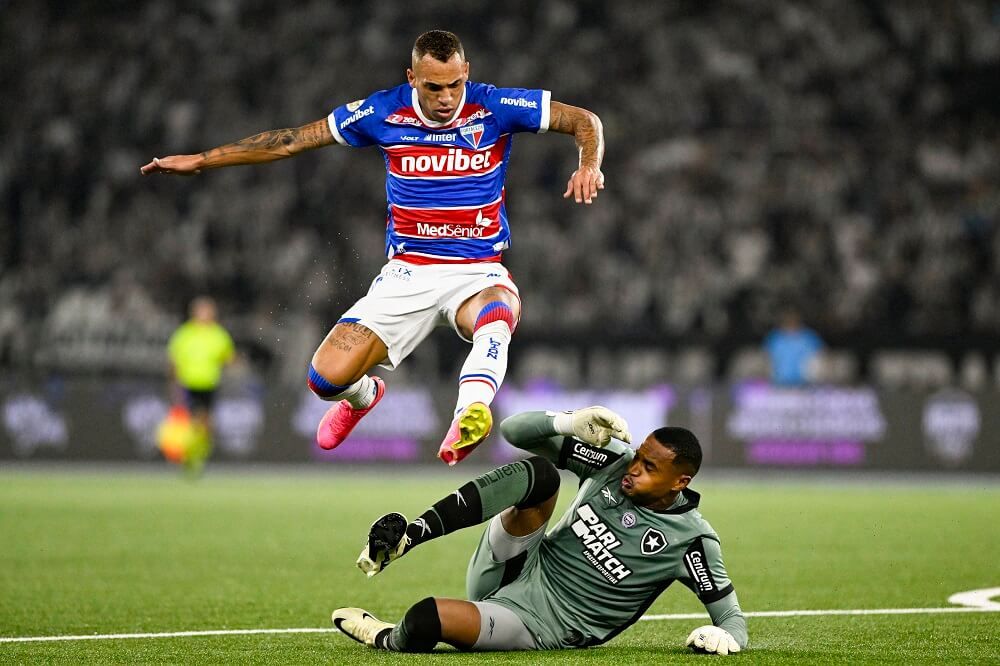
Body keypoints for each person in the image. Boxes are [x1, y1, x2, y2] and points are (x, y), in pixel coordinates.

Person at [141, 30, 605, 465]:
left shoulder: (496, 105)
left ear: (466, 71)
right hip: (407, 272)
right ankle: (364, 396)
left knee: (498, 312)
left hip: (476, 270)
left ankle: (470, 412)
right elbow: (290, 142)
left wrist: (589, 165)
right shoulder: (381, 112)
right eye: (433, 87)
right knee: (324, 379)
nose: (446, 98)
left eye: (454, 85)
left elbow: (584, 120)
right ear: (412, 78)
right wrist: (202, 160)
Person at [331, 406, 748, 655]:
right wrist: (567, 421)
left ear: (680, 482)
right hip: (516, 566)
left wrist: (722, 637)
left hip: (538, 625)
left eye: (649, 467)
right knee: (542, 474)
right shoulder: (614, 462)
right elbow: (513, 431)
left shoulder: (691, 541)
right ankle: (411, 536)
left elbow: (731, 619)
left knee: (426, 618)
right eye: (638, 456)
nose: (633, 468)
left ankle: (384, 637)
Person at [165, 296, 236, 472]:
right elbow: (174, 360)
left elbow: (229, 358)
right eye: (202, 311)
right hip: (189, 383)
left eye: (208, 311)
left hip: (210, 384)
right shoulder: (184, 334)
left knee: (207, 423)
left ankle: (198, 453)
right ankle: (191, 454)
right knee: (193, 420)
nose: (205, 314)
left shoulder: (218, 334)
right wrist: (173, 383)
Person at [763, 307, 824, 386]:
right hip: (779, 383)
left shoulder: (809, 337)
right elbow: (765, 357)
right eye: (787, 319)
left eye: (793, 319)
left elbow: (821, 356)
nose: (791, 321)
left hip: (806, 384)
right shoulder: (775, 337)